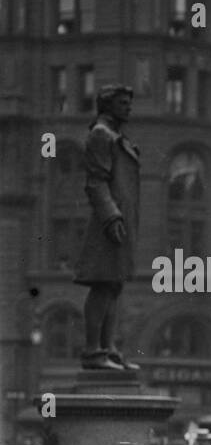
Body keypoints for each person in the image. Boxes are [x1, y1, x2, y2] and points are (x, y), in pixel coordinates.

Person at [72, 84, 141, 371]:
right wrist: (112, 217)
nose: (128, 107)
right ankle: (93, 352)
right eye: (123, 103)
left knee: (113, 285)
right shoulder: (101, 135)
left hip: (119, 221)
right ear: (108, 105)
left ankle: (108, 349)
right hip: (108, 223)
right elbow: (96, 182)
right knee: (103, 285)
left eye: (129, 102)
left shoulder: (115, 136)